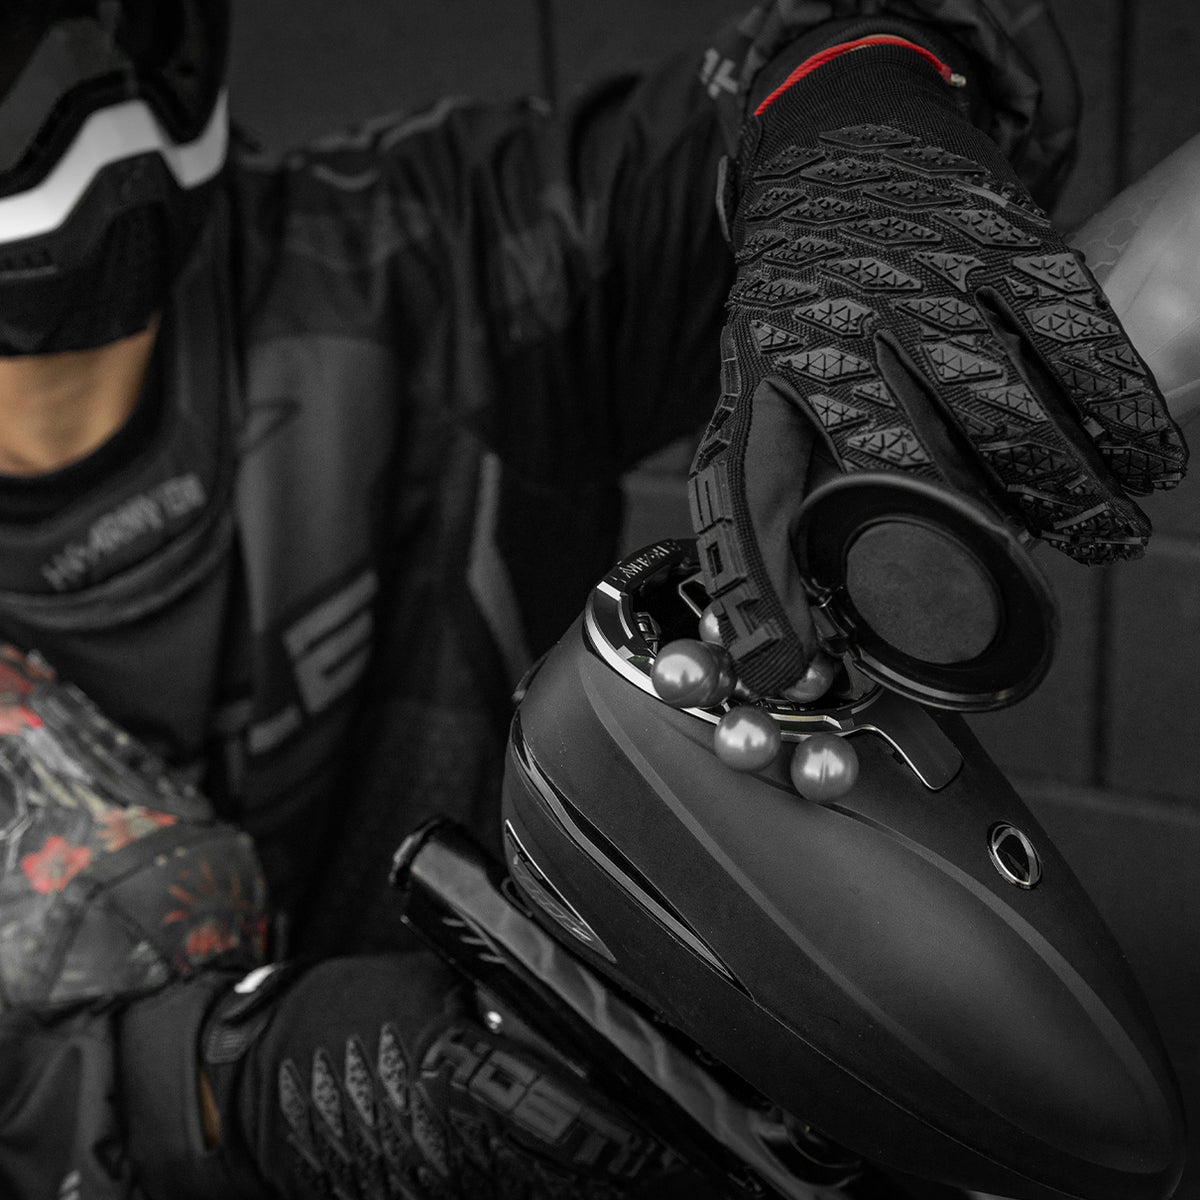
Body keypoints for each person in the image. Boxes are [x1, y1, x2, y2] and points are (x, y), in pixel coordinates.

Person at [0, 2, 1185, 1198]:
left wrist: (852, 116)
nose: (68, 94)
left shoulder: (425, 253)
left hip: (614, 1075)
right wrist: (240, 1092)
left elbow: (850, 45)